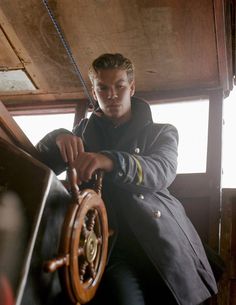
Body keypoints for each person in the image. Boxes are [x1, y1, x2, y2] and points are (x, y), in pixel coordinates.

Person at [36, 53, 218, 305]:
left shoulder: (162, 132)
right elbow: (38, 166)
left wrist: (110, 160)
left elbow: (162, 170)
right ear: (94, 90)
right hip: (107, 249)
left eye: (119, 86)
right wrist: (57, 137)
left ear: (131, 88)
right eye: (103, 88)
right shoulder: (79, 135)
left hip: (160, 243)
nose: (111, 94)